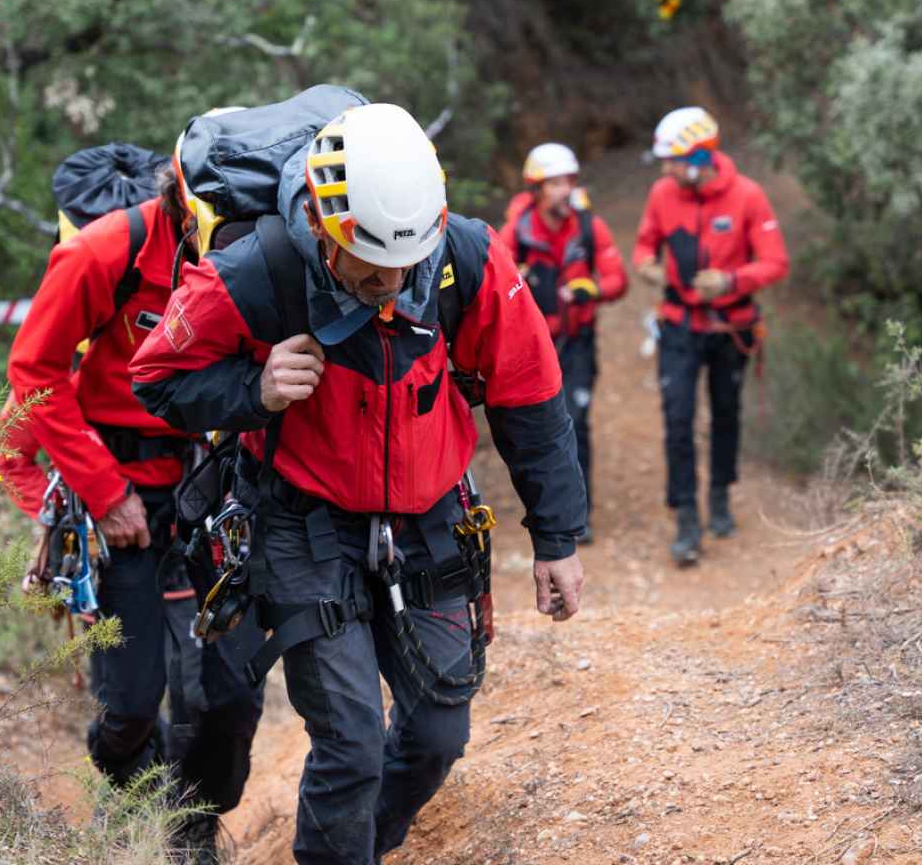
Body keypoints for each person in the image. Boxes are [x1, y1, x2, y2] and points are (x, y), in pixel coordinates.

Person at [130, 100, 587, 865]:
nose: (388, 287)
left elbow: (531, 395)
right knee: (350, 744)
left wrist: (557, 538)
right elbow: (157, 376)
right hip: (302, 524)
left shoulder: (463, 260)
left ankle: (357, 849)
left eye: (401, 269)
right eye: (368, 271)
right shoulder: (259, 269)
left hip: (431, 518)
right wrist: (257, 387)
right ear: (322, 227)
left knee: (440, 733)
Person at [0, 118, 265, 864]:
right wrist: (100, 492)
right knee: (131, 704)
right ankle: (131, 790)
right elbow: (32, 378)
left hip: (213, 493)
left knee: (229, 695)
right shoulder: (103, 253)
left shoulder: (258, 249)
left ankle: (191, 829)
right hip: (125, 504)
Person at [632, 106, 789, 566]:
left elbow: (775, 261)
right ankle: (686, 519)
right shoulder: (663, 194)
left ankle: (719, 496)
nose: (667, 169)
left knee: (725, 414)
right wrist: (646, 266)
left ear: (700, 157)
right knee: (677, 419)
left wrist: (730, 281)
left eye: (674, 159)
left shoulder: (747, 196)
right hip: (678, 326)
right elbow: (645, 243)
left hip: (729, 328)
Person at [498, 143, 627, 542]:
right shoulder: (516, 233)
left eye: (568, 181)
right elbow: (492, 280)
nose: (564, 190)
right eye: (554, 183)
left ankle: (578, 513)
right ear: (536, 189)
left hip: (577, 340)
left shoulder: (590, 227)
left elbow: (617, 279)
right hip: (535, 346)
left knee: (578, 421)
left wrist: (592, 289)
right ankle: (544, 512)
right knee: (536, 425)